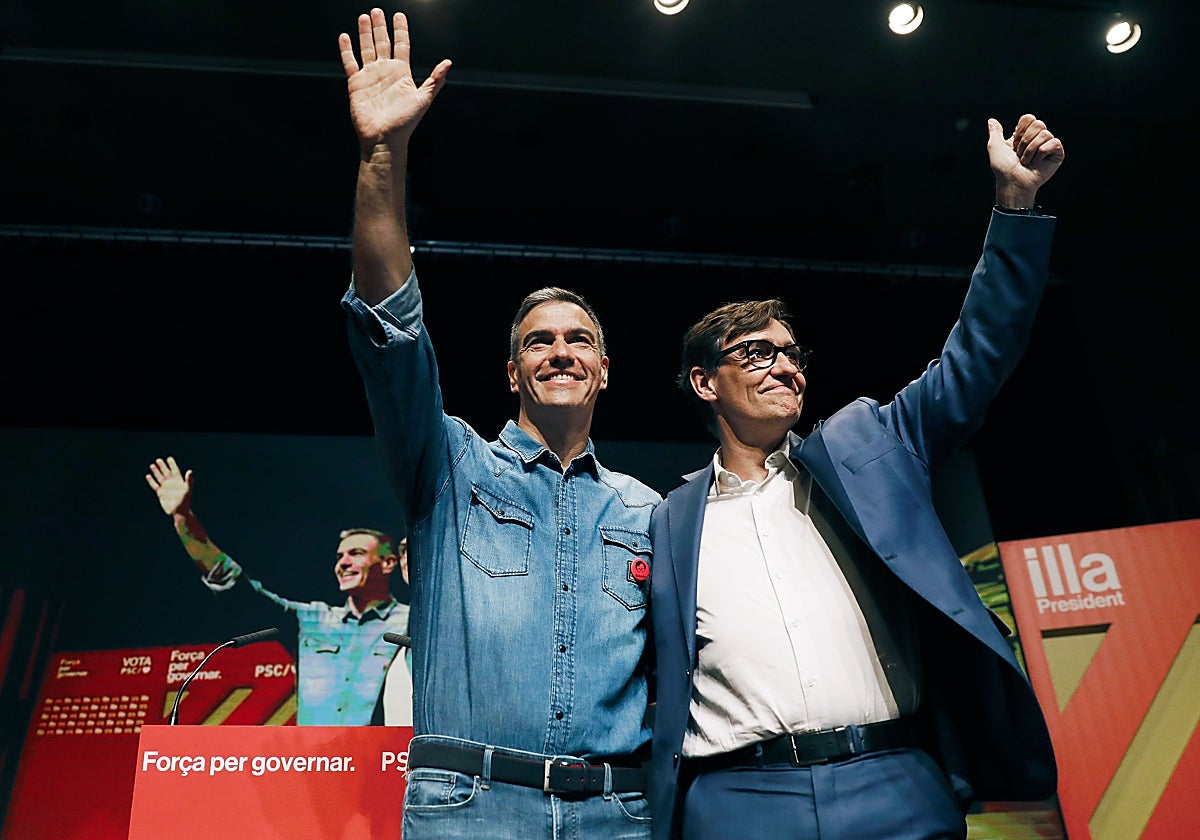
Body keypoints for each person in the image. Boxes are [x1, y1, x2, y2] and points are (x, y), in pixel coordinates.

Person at [647, 114, 1065, 840]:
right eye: (754, 353)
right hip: (737, 799)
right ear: (703, 383)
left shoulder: (869, 445)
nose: (785, 366)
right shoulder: (666, 519)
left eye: (791, 354)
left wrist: (1016, 210)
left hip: (894, 778)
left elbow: (978, 356)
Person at [336, 9, 660, 839]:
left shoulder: (647, 513)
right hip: (470, 810)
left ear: (605, 370)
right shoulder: (448, 465)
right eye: (538, 342)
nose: (560, 352)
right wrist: (383, 155)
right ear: (512, 371)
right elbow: (390, 325)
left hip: (615, 814)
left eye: (578, 339)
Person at [144, 455, 413, 726]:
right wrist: (184, 520)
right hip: (314, 760)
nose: (343, 563)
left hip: (379, 760)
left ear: (389, 563)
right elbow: (239, 590)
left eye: (355, 554)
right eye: (339, 556)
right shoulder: (311, 620)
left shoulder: (413, 622)